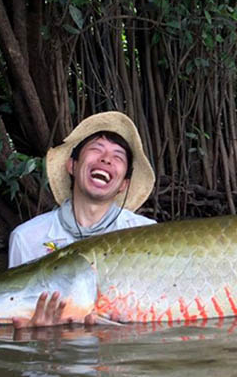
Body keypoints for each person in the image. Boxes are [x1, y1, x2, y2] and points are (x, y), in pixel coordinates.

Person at [10, 111, 156, 328]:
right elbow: (12, 316)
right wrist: (38, 337)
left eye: (118, 156)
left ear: (124, 184)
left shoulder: (147, 235)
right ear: (72, 166)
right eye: (96, 149)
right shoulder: (26, 238)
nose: (106, 159)